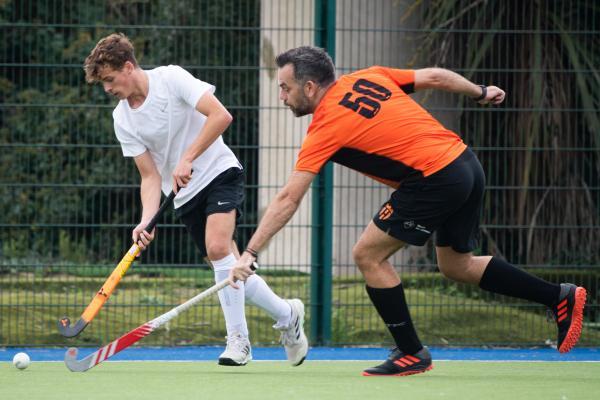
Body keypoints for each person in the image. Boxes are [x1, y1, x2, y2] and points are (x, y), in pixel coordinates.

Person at [229, 46, 587, 376]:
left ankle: (410, 351)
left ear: (309, 88)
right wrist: (480, 91)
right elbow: (432, 76)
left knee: (368, 254)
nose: (281, 97)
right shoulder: (367, 76)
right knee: (456, 265)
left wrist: (250, 253)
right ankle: (558, 297)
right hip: (465, 164)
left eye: (285, 88)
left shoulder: (324, 127)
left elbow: (288, 198)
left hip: (434, 178)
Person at [83, 33, 308, 367]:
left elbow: (221, 116)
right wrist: (146, 220)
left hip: (219, 171)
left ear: (128, 67)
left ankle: (239, 342)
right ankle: (287, 314)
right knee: (229, 268)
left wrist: (188, 157)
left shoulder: (171, 79)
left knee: (218, 249)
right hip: (182, 195)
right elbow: (149, 175)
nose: (107, 88)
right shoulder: (122, 119)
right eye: (102, 83)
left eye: (110, 80)